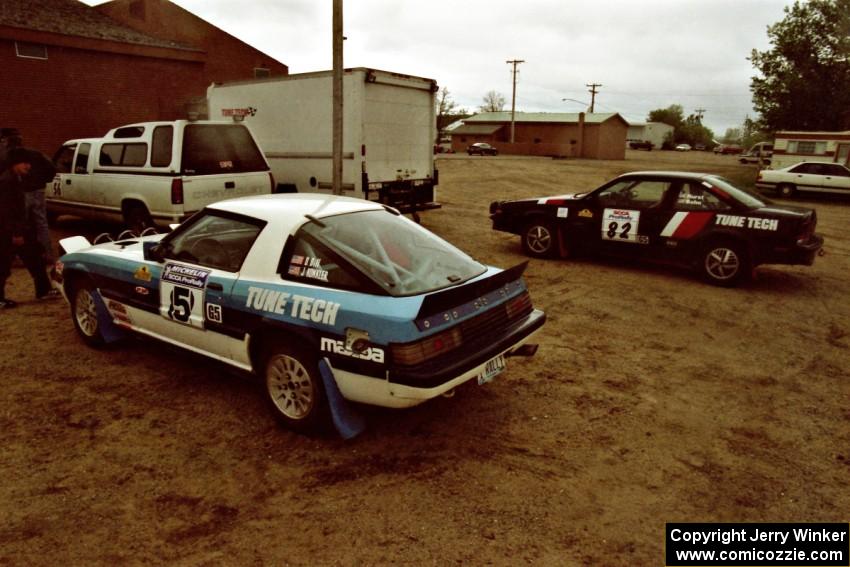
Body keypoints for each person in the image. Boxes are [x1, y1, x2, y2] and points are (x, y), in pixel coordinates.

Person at [0, 148, 55, 308]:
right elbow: (6, 211)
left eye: (29, 163)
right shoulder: (7, 182)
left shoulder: (16, 179)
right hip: (9, 232)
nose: (28, 166)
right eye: (24, 163)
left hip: (20, 229)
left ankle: (44, 290)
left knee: (35, 258)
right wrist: (16, 233)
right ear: (15, 163)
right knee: (3, 265)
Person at [0, 130, 57, 265]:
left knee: (19, 222)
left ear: (7, 141)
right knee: (41, 222)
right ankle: (47, 254)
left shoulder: (8, 156)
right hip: (38, 190)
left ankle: (17, 256)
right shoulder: (36, 153)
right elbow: (51, 167)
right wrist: (43, 181)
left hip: (23, 192)